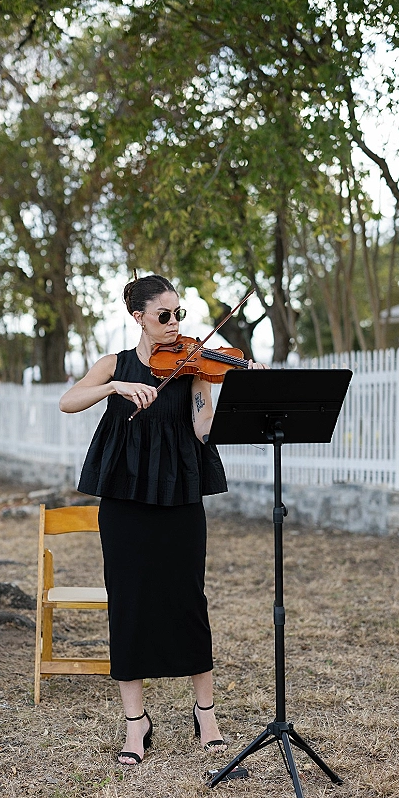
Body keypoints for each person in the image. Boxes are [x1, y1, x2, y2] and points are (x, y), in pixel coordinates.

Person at [59, 274, 268, 766]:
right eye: (164, 316)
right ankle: (136, 723)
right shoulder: (115, 365)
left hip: (179, 491)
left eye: (180, 315)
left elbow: (201, 431)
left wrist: (236, 384)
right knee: (128, 601)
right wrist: (114, 386)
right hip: (125, 495)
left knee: (188, 598)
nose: (175, 325)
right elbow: (68, 400)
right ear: (139, 317)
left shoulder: (196, 366)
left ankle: (206, 714)